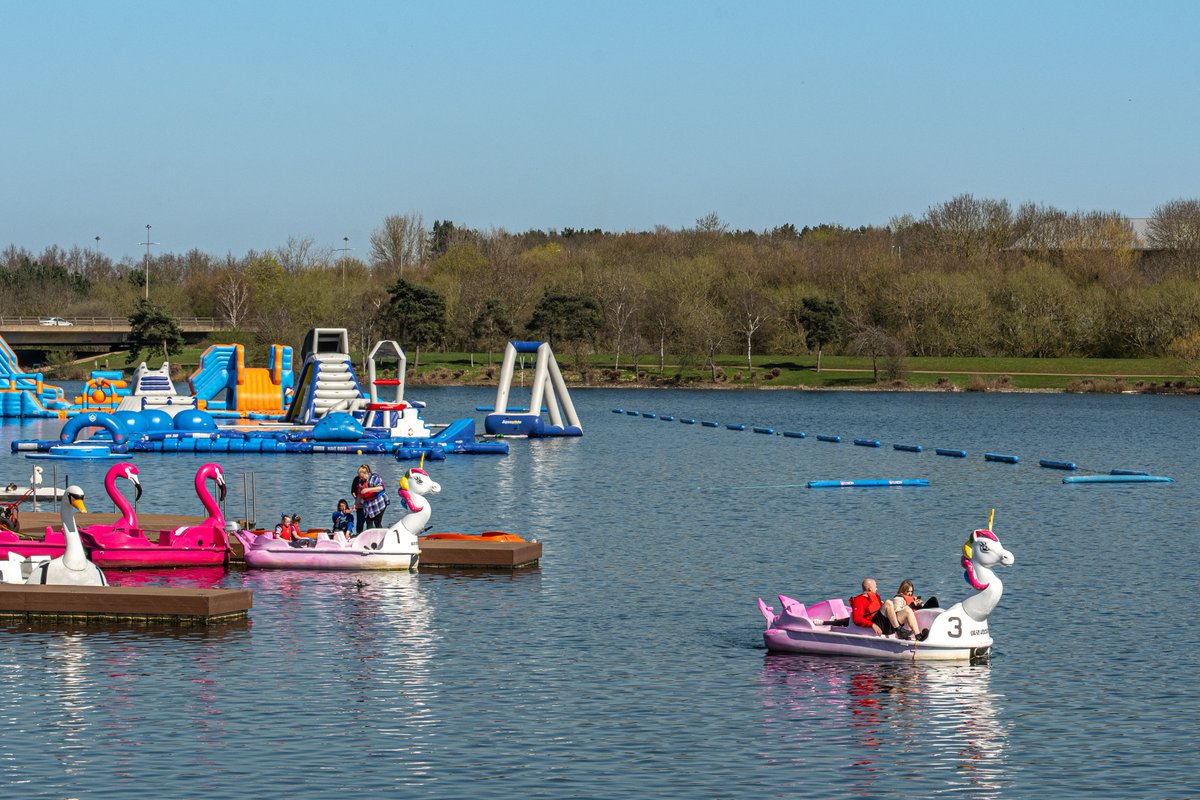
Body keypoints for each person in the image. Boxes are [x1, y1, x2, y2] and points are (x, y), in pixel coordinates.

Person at [849, 578, 929, 641]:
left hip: (887, 624)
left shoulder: (876, 596)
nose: (877, 588)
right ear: (869, 589)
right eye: (875, 586)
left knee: (907, 610)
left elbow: (881, 611)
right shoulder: (859, 600)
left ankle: (918, 635)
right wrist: (872, 625)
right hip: (876, 624)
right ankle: (898, 630)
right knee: (888, 602)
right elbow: (856, 619)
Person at [353, 464, 388, 530]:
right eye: (360, 476)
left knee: (377, 522)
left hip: (378, 502)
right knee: (369, 523)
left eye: (362, 476)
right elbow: (360, 494)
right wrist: (356, 504)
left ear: (366, 473)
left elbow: (381, 488)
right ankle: (369, 538)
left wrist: (368, 489)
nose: (361, 478)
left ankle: (382, 536)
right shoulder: (361, 481)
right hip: (368, 505)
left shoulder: (374, 477)